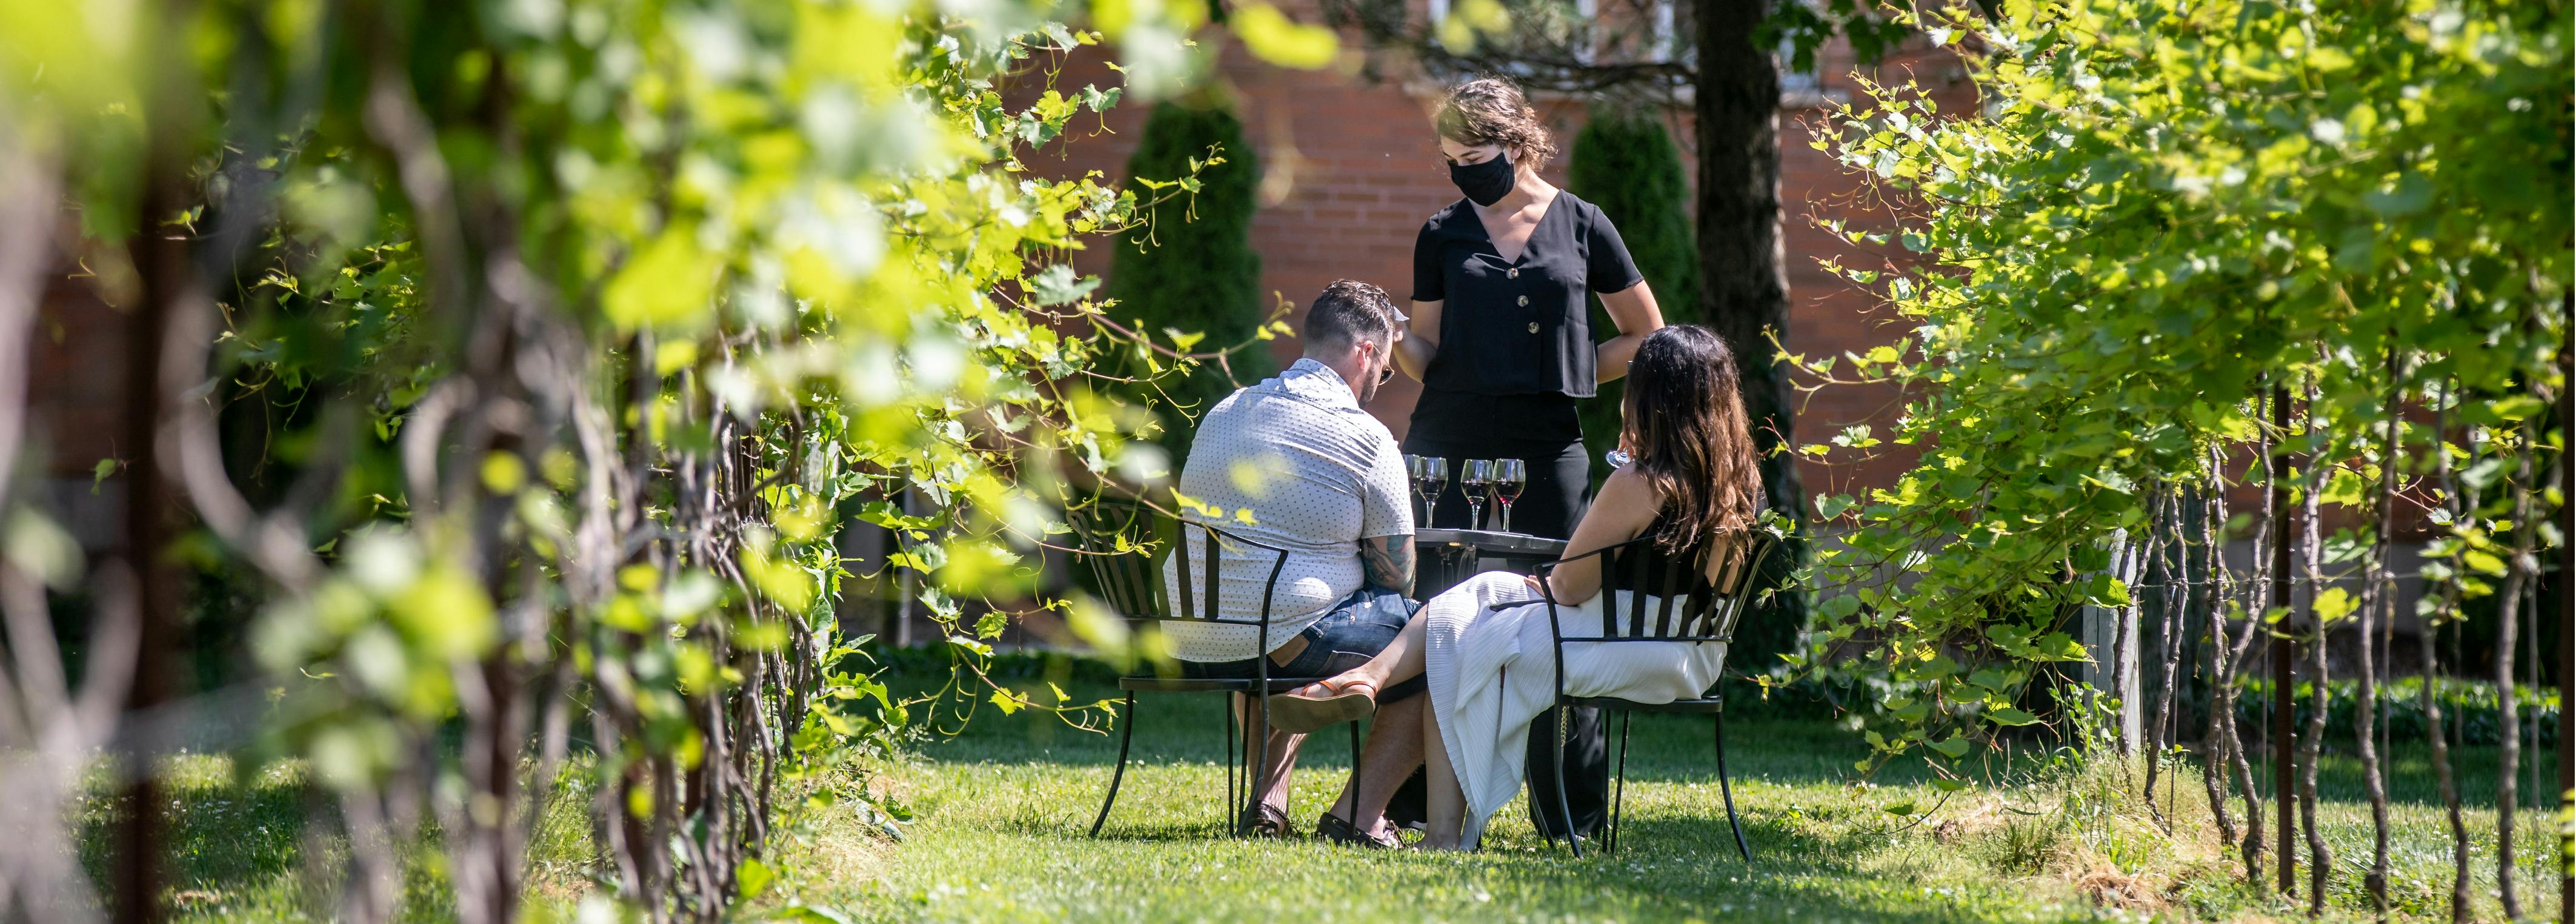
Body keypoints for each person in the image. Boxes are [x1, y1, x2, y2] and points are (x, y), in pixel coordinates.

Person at [1270, 325, 1764, 850]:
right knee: (1475, 602)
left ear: (1650, 396)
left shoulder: (1642, 481)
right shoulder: (1741, 481)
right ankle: (1370, 686)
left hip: (1618, 644)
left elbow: (1571, 586)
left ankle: (1426, 804)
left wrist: (1544, 584)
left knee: (1459, 640)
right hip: (1692, 652)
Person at [1392, 75, 1669, 841]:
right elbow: (1425, 352)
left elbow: (1648, 335)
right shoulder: (1441, 231)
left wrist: (1574, 371)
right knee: (1434, 619)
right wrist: (1388, 336)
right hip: (1445, 449)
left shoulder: (1583, 224)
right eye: (1448, 158)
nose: (1460, 172)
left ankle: (1569, 819)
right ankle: (1409, 811)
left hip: (1549, 450)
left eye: (1473, 155)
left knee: (1560, 622)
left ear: (1517, 144)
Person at [1160, 279, 1428, 841]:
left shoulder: (1226, 410)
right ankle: (1357, 816)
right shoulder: (1366, 438)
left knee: (1281, 608)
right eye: (1385, 366)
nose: (1385, 378)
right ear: (1365, 353)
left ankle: (1267, 805)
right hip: (1284, 641)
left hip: (1191, 636)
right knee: (1435, 637)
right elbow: (1397, 581)